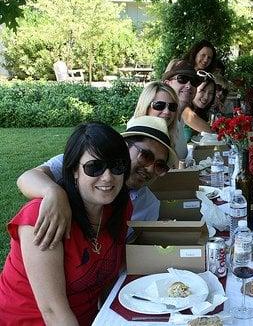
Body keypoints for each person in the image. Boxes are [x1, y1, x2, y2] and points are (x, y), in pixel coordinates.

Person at [0, 123, 132, 324]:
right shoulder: (41, 217)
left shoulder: (118, 208)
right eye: (94, 167)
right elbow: (53, 313)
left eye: (117, 166)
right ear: (74, 171)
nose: (107, 177)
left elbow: (108, 284)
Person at [16, 116, 177, 249]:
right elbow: (27, 177)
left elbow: (131, 249)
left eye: (160, 165)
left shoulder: (149, 205)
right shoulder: (85, 161)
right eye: (146, 156)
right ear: (124, 147)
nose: (150, 168)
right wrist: (54, 192)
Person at [133, 81, 187, 160]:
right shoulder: (134, 139)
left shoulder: (176, 132)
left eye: (172, 107)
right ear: (146, 107)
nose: (167, 112)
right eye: (159, 105)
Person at [181, 70, 216, 141]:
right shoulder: (182, 107)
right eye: (202, 90)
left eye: (210, 93)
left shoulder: (203, 112)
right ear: (193, 89)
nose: (206, 97)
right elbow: (211, 131)